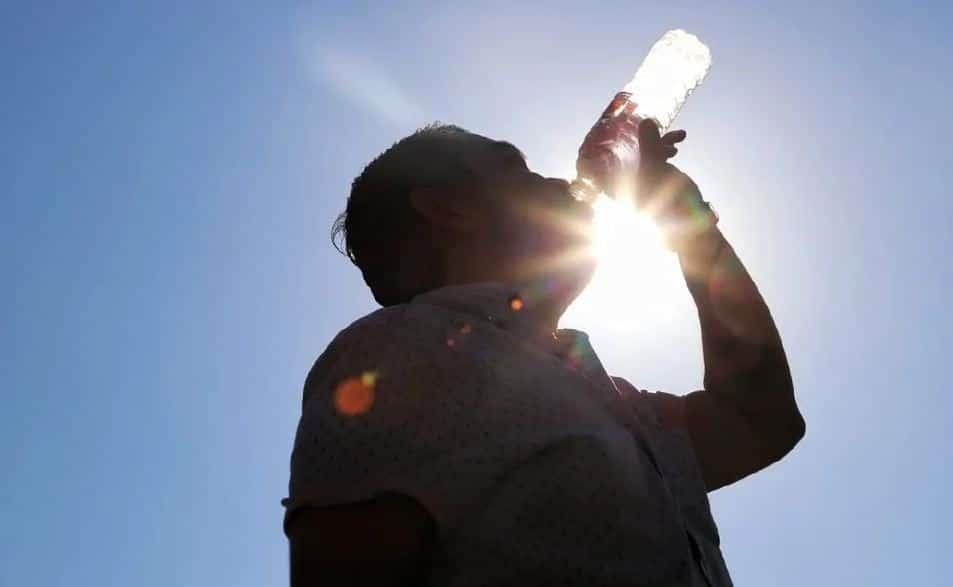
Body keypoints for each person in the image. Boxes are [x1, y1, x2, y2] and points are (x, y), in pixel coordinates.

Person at [282, 119, 805, 586]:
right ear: (450, 210)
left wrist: (693, 231)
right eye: (519, 170)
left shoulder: (612, 401)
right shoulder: (398, 351)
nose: (558, 183)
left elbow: (760, 419)